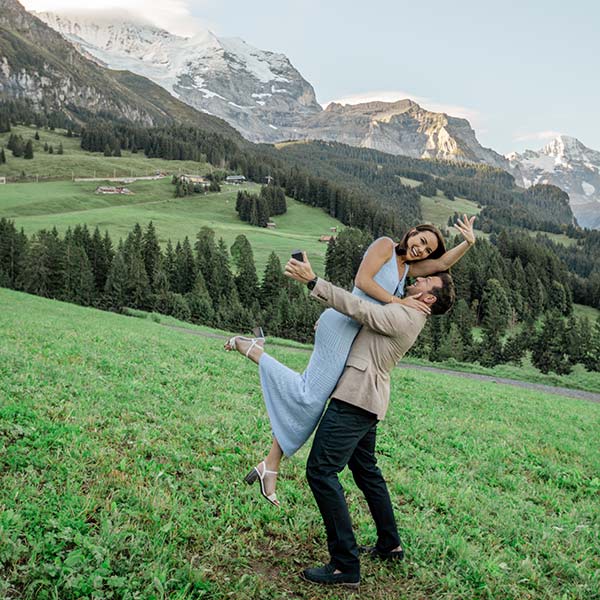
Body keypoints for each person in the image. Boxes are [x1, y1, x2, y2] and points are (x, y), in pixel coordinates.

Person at [225, 216, 475, 505]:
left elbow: (443, 266)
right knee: (310, 398)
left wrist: (468, 241)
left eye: (428, 249)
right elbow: (362, 281)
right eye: (421, 240)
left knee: (314, 402)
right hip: (342, 325)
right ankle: (252, 349)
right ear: (412, 232)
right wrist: (397, 302)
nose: (421, 249)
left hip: (354, 334)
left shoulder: (408, 267)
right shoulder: (384, 245)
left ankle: (270, 465)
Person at [284, 255, 455, 589]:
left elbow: (361, 309)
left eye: (424, 282)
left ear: (429, 298)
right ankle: (390, 544)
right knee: (366, 471)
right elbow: (360, 323)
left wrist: (313, 282)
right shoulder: (406, 311)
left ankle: (345, 565)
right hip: (368, 399)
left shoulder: (406, 315)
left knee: (320, 471)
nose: (417, 280)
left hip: (355, 399)